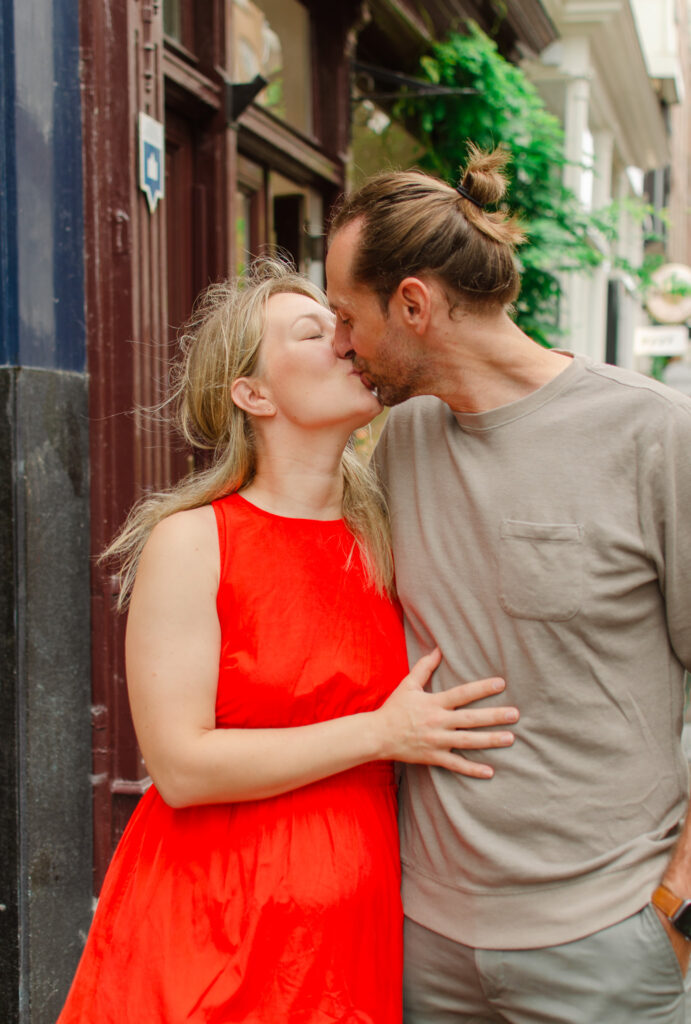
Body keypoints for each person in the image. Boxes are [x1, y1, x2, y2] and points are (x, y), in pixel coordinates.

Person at [57, 260, 519, 1024]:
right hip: (207, 930)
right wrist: (379, 733)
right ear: (253, 393)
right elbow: (180, 768)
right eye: (315, 330)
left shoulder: (391, 538)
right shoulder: (194, 541)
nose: (346, 342)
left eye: (344, 326)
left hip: (352, 935)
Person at [325, 145, 691, 1023]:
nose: (341, 346)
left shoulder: (654, 433)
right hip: (422, 942)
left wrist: (678, 910)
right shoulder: (398, 436)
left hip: (608, 940)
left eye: (346, 320)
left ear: (411, 305)